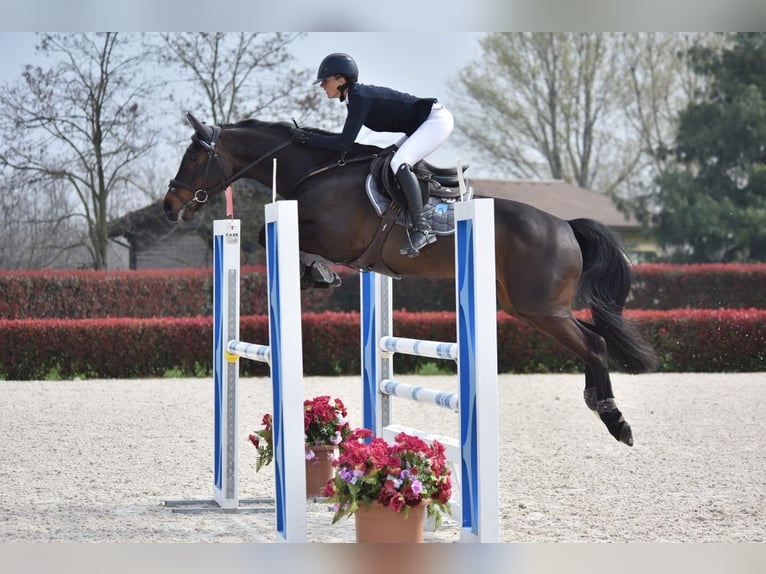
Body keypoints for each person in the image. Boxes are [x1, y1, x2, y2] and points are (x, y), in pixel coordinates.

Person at [293, 53, 455, 257]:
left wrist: (307, 138)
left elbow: (344, 143)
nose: (322, 86)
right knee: (386, 160)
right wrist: (310, 137)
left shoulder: (360, 98)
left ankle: (423, 228)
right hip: (420, 125)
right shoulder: (355, 98)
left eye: (326, 81)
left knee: (399, 163)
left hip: (435, 120)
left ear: (341, 80)